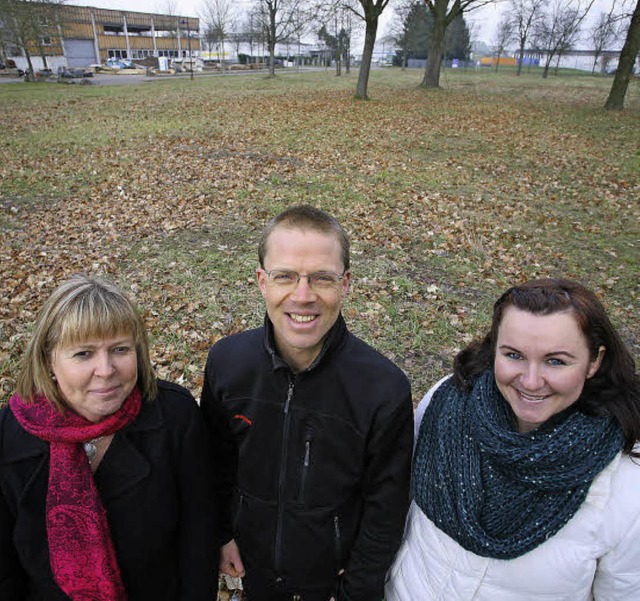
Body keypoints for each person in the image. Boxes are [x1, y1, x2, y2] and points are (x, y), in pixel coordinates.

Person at [200, 205, 413, 601]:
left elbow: (386, 507)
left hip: (333, 581)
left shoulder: (383, 388)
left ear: (346, 283)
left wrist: (356, 590)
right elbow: (214, 463)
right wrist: (223, 534)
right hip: (253, 568)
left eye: (322, 278)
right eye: (285, 277)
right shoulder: (228, 364)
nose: (303, 296)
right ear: (262, 282)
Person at [386, 278, 640, 600]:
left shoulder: (627, 485)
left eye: (556, 361)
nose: (531, 382)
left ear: (595, 361)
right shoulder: (446, 403)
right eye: (514, 355)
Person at [0, 274, 218, 600]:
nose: (106, 369)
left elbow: (198, 538)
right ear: (50, 361)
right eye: (83, 354)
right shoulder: (9, 432)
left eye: (119, 349)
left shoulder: (173, 415)